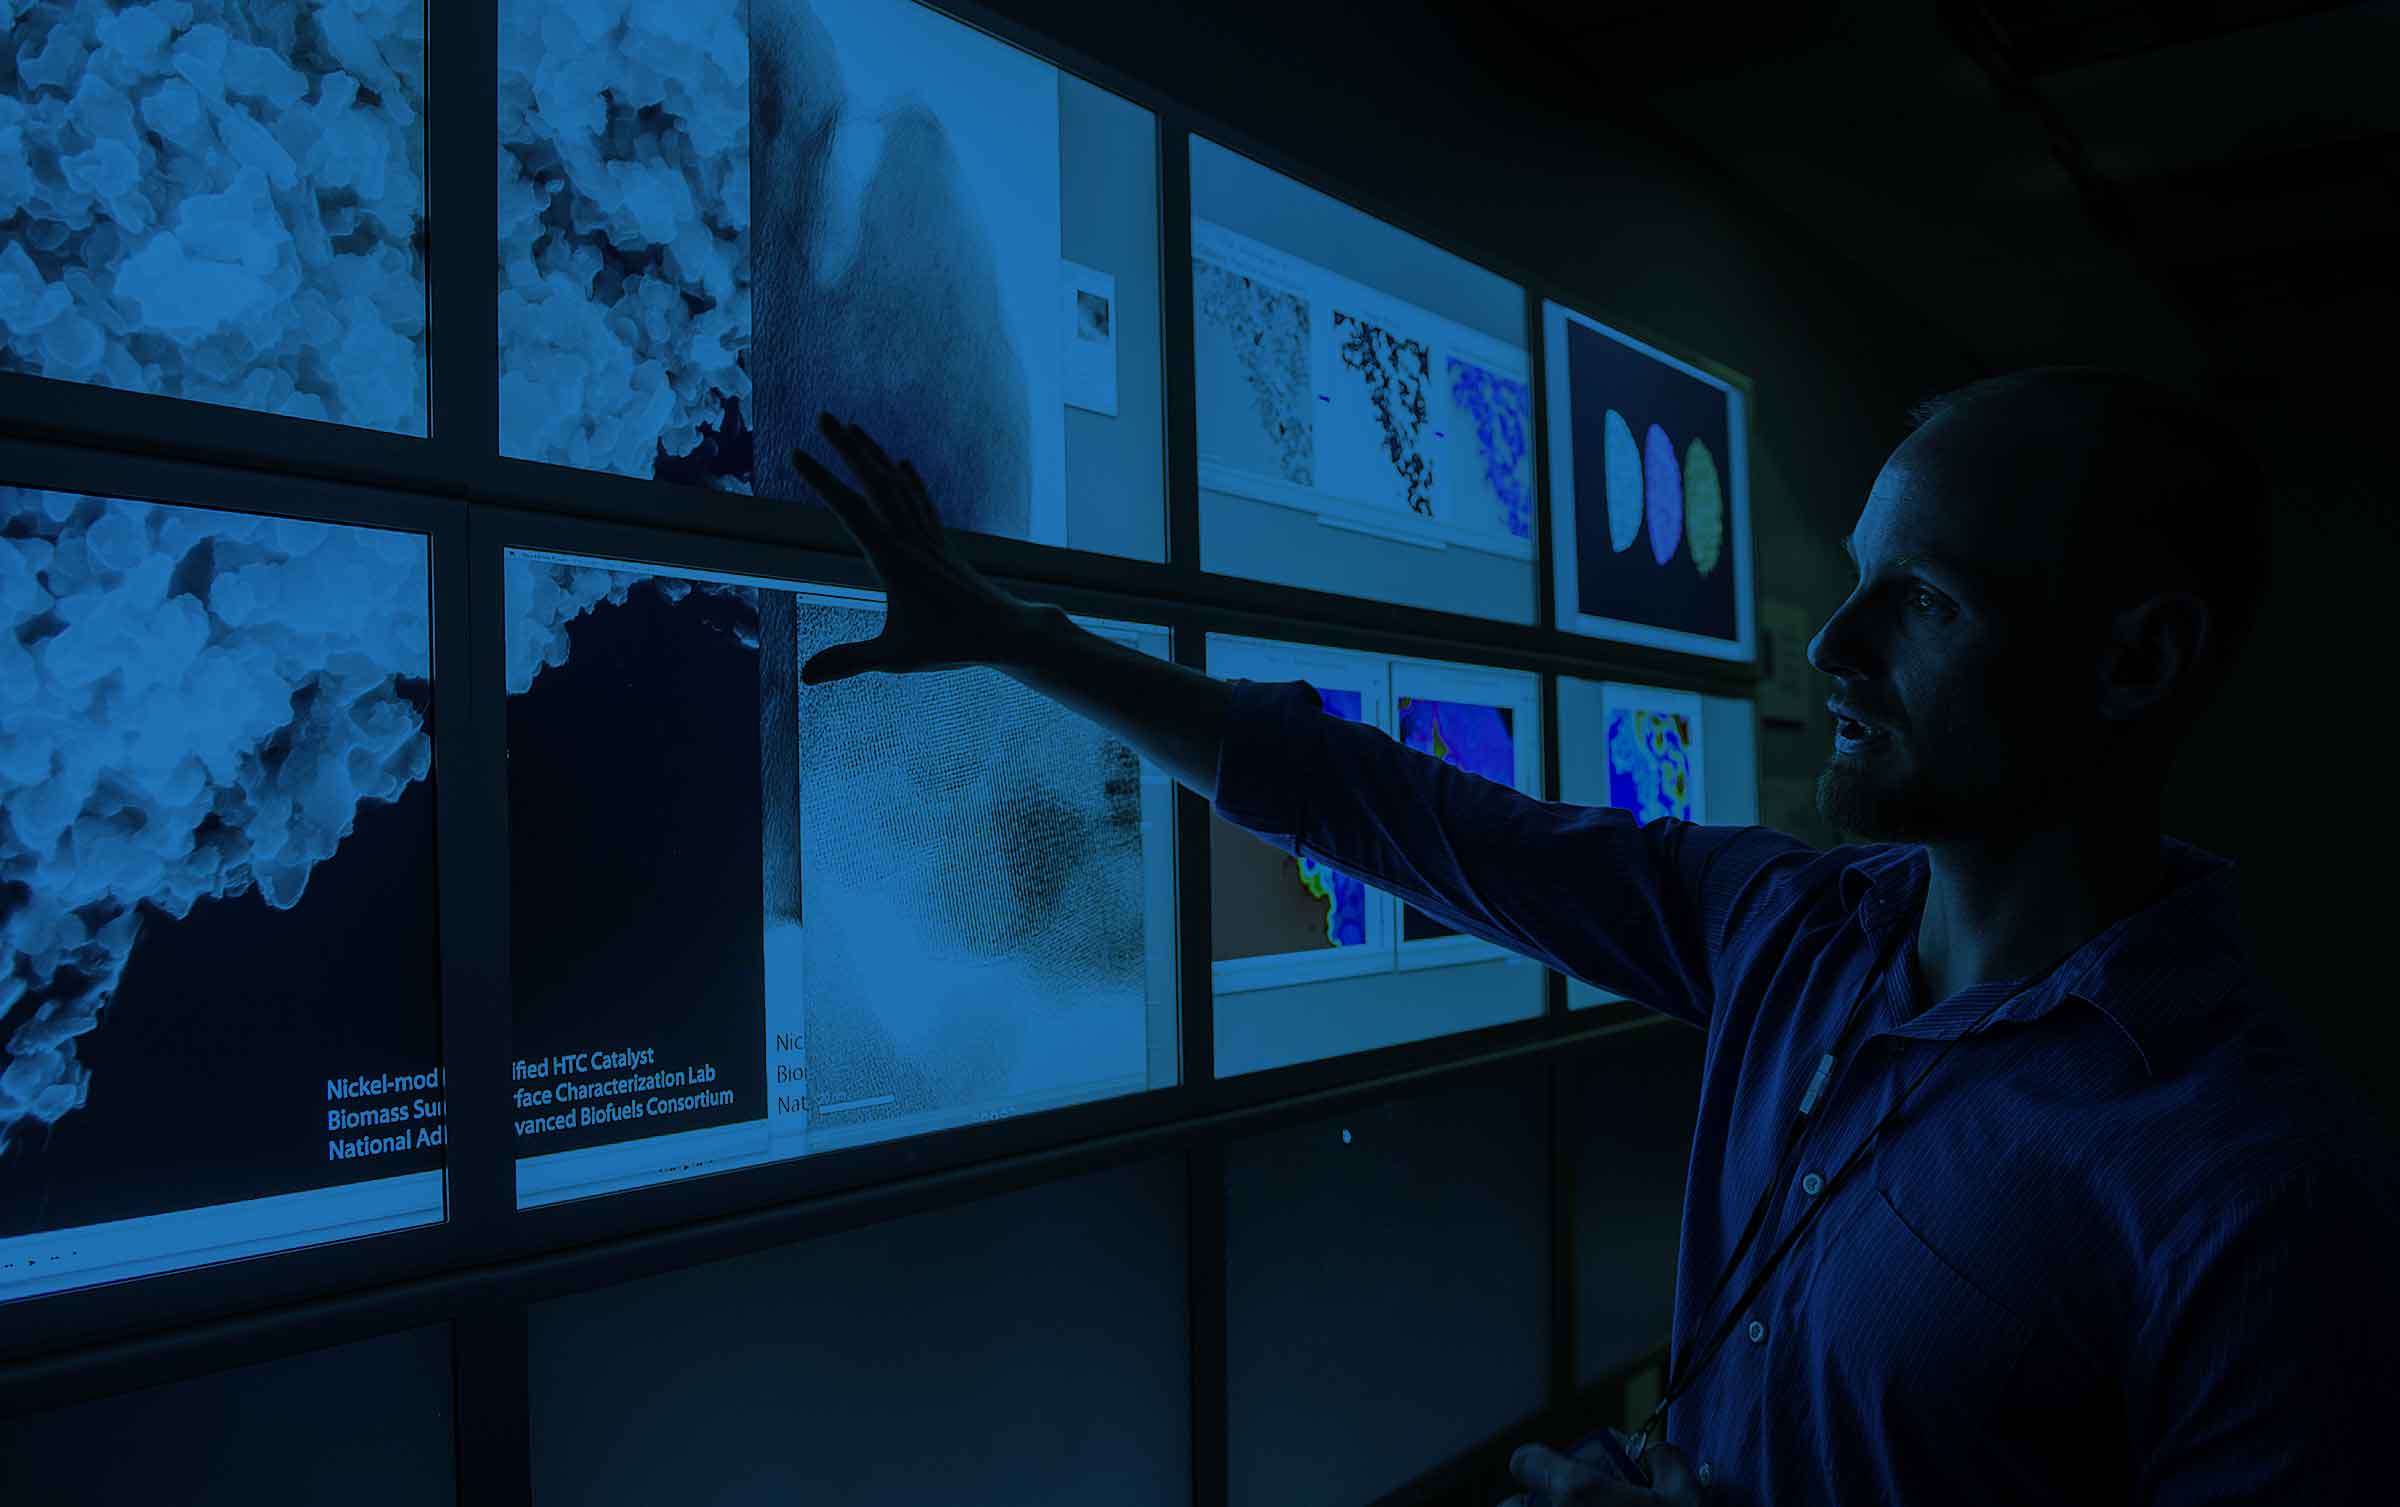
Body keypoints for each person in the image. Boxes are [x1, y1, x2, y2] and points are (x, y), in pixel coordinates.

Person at [788, 367, 2398, 1506]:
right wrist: (1008, 638)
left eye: (1929, 602)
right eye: (1855, 583)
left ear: (2137, 666)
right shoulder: (1790, 932)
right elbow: (1376, 803)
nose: (1834, 644)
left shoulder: (2256, 1193)